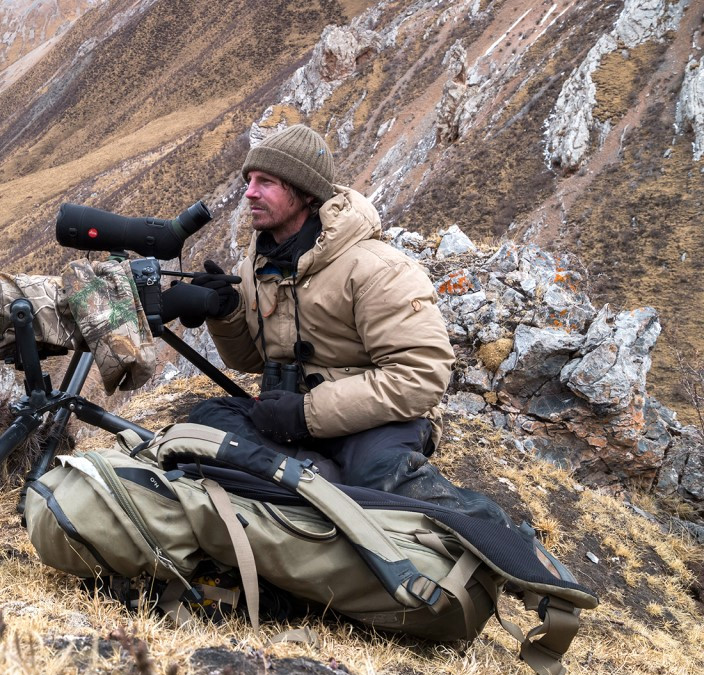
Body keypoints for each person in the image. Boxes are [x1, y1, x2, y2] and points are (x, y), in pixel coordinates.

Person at [162, 124, 512, 526]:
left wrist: (307, 414)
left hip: (372, 422)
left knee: (382, 479)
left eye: (266, 182)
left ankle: (499, 539)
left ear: (306, 193)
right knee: (207, 422)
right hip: (288, 417)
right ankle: (320, 481)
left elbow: (422, 375)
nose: (249, 192)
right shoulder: (257, 266)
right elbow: (249, 361)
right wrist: (226, 314)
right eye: (249, 181)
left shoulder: (377, 268)